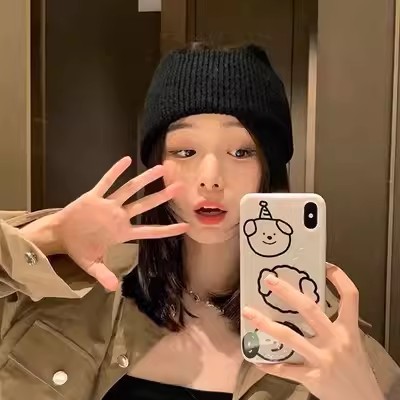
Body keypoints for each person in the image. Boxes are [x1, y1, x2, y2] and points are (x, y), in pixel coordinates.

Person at [0, 43, 399, 400]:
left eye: (241, 152)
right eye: (185, 151)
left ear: (269, 169)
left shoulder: (327, 338)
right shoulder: (69, 285)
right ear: (157, 163)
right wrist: (49, 237)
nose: (211, 178)